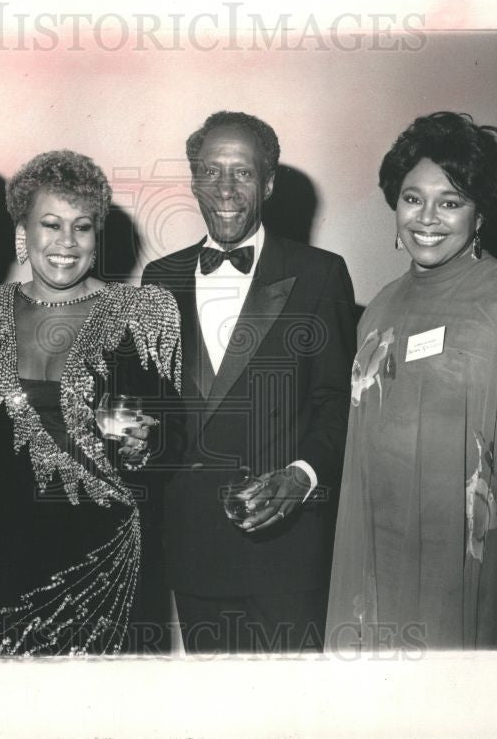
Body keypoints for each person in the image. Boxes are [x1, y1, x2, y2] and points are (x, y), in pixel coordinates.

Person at [326, 111, 497, 652]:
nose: (427, 217)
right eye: (412, 198)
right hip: (383, 559)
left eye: (450, 202)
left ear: (480, 213)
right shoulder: (379, 307)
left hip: (476, 567)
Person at [142, 111, 356, 653]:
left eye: (242, 172)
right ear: (192, 181)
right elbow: (155, 408)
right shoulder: (158, 278)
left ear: (269, 182)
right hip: (194, 548)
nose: (226, 189)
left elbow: (339, 403)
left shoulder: (320, 273)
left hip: (286, 550)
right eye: (211, 172)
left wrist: (302, 475)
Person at [0, 150, 181, 656]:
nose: (66, 243)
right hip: (2, 557)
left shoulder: (142, 311)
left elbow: (175, 436)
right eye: (51, 224)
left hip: (107, 551)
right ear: (24, 229)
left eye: (82, 227)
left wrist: (146, 445)